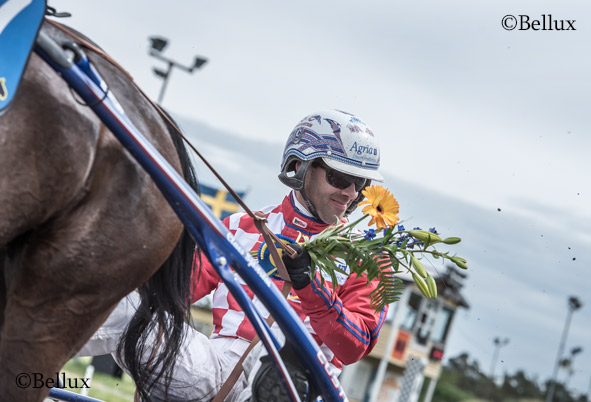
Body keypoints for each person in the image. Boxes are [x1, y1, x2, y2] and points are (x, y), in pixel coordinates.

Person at [77, 109, 388, 401]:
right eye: (339, 178)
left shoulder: (371, 259)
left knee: (281, 359)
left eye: (360, 184)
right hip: (214, 369)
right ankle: (43, 360)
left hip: (299, 383)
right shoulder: (239, 226)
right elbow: (172, 292)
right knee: (128, 305)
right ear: (300, 166)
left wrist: (311, 289)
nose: (350, 193)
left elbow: (354, 347)